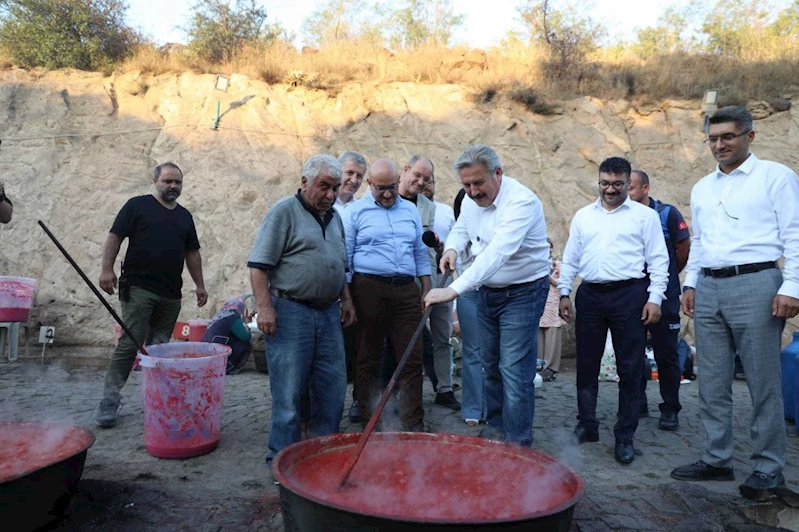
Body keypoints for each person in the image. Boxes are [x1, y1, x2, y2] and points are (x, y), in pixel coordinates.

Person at [670, 106, 799, 501]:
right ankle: (717, 458)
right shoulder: (702, 187)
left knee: (762, 381)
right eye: (713, 138)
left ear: (750, 136)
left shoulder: (776, 177)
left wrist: (792, 286)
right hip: (709, 286)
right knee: (711, 379)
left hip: (757, 282)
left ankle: (768, 468)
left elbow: (795, 233)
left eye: (728, 136)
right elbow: (700, 241)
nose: (719, 145)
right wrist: (691, 283)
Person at [425, 144, 550, 448]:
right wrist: (452, 248)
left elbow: (497, 254)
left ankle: (518, 444)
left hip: (523, 293)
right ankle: (496, 430)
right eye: (466, 185)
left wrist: (454, 289)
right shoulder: (471, 200)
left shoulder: (521, 202)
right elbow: (461, 227)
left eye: (479, 183)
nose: (473, 191)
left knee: (514, 371)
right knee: (490, 365)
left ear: (498, 173)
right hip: (487, 292)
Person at [248, 154, 355, 483]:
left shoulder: (335, 218)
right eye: (324, 186)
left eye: (335, 188)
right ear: (305, 182)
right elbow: (258, 266)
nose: (331, 194)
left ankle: (323, 455)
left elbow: (340, 264)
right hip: (291, 311)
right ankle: (280, 460)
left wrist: (347, 300)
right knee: (289, 391)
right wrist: (265, 308)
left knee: (332, 386)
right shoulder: (284, 212)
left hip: (328, 313)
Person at [558, 157, 669, 465]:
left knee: (630, 367)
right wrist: (564, 292)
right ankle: (587, 424)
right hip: (590, 295)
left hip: (630, 295)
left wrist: (655, 299)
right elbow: (571, 257)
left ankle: (625, 435)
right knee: (586, 363)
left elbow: (659, 260)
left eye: (617, 184)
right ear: (599, 181)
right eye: (605, 183)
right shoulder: (583, 216)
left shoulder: (645, 217)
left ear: (627, 183)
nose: (610, 189)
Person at [95, 162, 208, 428]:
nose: (173, 186)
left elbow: (192, 253)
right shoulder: (137, 206)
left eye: (177, 182)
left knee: (159, 348)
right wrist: (106, 269)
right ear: (155, 180)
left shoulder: (184, 217)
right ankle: (109, 399)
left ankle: (157, 399)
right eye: (168, 181)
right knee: (130, 343)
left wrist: (200, 285)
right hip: (138, 289)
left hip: (171, 294)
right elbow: (115, 237)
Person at [344, 158, 432, 432]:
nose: (387, 194)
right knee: (368, 355)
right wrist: (347, 298)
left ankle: (413, 425)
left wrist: (427, 288)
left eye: (392, 187)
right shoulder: (354, 212)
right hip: (368, 288)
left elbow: (419, 252)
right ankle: (370, 422)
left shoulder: (410, 210)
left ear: (398, 181)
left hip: (406, 289)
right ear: (369, 184)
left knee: (411, 356)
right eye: (380, 188)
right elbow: (346, 258)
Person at [627, 169, 690, 430]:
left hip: (665, 297)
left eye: (630, 187)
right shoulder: (622, 216)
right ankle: (637, 402)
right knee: (632, 354)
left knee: (667, 354)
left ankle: (670, 408)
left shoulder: (667, 214)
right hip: (631, 296)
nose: (625, 192)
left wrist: (668, 278)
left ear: (646, 188)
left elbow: (683, 249)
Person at [397, 155, 460, 410]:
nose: (422, 182)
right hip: (406, 282)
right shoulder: (389, 201)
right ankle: (403, 392)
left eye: (427, 179)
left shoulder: (430, 207)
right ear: (405, 170)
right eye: (418, 175)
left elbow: (431, 245)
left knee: (442, 335)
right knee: (406, 338)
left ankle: (444, 388)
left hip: (435, 277)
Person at [332, 151, 368, 423]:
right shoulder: (321, 203)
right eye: (349, 173)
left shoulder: (362, 208)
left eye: (359, 176)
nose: (354, 180)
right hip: (324, 286)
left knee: (357, 345)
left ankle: (358, 398)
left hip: (353, 287)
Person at [450, 188, 484, 426]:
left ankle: (493, 406)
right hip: (467, 293)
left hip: (493, 291)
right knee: (472, 350)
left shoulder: (493, 227)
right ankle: (473, 407)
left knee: (493, 352)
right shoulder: (458, 233)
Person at [202, 297, 252, 375]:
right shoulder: (232, 318)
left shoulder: (220, 315)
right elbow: (245, 336)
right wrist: (247, 325)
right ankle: (230, 367)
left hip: (207, 349)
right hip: (219, 350)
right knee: (246, 344)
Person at [538, 238, 564, 382]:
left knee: (552, 337)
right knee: (538, 337)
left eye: (550, 247)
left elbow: (563, 283)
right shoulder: (535, 264)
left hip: (553, 305)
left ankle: (550, 367)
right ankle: (537, 365)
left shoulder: (557, 266)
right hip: (539, 303)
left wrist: (550, 279)